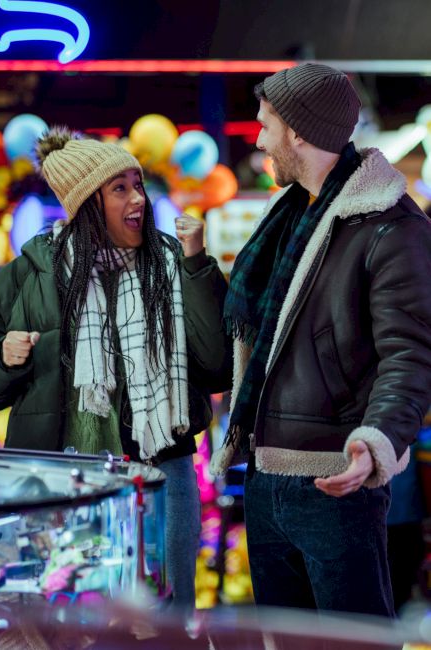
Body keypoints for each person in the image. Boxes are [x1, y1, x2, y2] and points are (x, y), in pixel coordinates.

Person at [0, 127, 231, 615]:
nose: (138, 199)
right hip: (64, 484)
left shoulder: (174, 262)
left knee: (167, 619)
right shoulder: (27, 277)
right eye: (119, 188)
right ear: (85, 203)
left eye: (138, 184)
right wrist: (3, 356)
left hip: (163, 476)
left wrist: (196, 269)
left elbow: (217, 368)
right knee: (69, 619)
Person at [210, 62, 431, 617]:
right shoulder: (289, 216)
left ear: (299, 132)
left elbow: (411, 354)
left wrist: (377, 438)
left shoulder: (392, 226)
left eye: (265, 125)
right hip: (264, 478)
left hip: (335, 485)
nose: (258, 139)